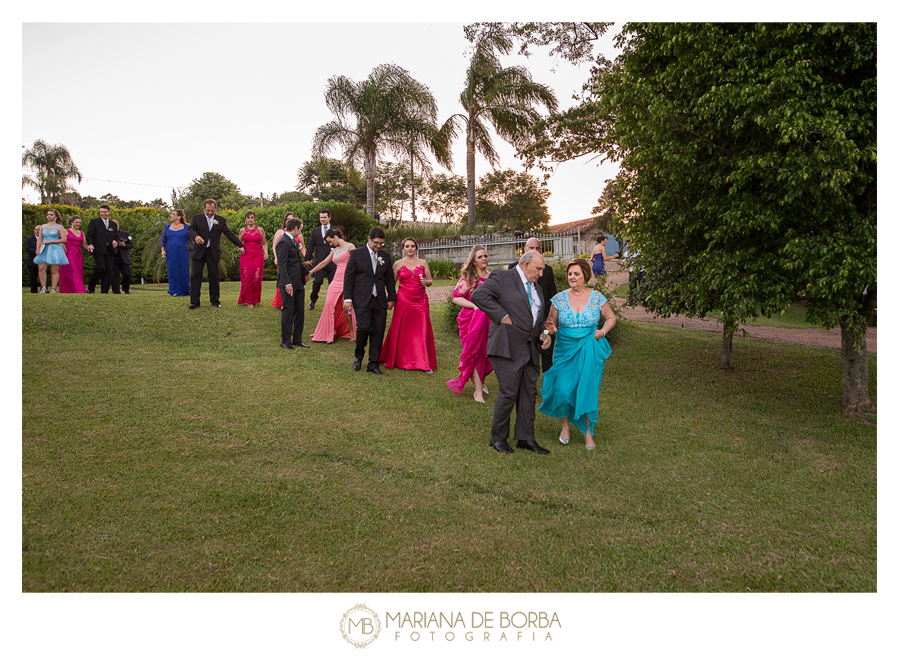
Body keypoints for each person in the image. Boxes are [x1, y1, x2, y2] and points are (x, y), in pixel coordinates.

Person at [471, 251, 550, 455]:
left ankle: (526, 438)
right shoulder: (503, 276)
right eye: (538, 269)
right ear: (525, 264)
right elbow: (479, 295)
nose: (541, 274)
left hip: (530, 347)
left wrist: (544, 333)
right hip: (506, 346)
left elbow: (536, 319)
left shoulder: (537, 288)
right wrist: (502, 316)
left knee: (528, 394)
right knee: (509, 392)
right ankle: (498, 438)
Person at [539, 258, 616, 450]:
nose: (572, 277)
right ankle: (565, 427)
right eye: (570, 274)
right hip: (564, 349)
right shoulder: (558, 299)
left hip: (589, 348)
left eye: (576, 274)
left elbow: (610, 317)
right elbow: (549, 324)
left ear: (585, 276)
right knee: (564, 389)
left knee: (587, 389)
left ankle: (588, 432)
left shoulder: (597, 297)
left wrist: (602, 332)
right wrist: (548, 334)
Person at [343, 227, 396, 375]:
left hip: (379, 300)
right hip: (361, 299)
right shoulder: (356, 254)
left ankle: (373, 364)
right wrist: (347, 299)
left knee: (378, 331)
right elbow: (348, 278)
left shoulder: (385, 256)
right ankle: (358, 356)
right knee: (364, 328)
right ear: (369, 239)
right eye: (376, 243)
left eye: (381, 243)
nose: (378, 246)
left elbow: (390, 279)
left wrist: (391, 297)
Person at [380, 237, 437, 373]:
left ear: (416, 248)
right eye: (407, 246)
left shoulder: (423, 262)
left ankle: (423, 361)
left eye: (412, 246)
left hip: (420, 300)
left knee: (421, 329)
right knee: (402, 328)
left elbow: (430, 281)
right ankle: (399, 358)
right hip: (403, 301)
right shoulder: (398, 264)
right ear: (403, 248)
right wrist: (390, 299)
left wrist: (425, 282)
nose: (410, 248)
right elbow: (392, 284)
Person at [446, 244, 493, 402]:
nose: (484, 259)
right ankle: (478, 391)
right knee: (474, 354)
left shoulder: (492, 277)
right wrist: (474, 305)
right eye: (480, 257)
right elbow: (456, 297)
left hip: (487, 321)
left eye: (485, 256)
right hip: (470, 321)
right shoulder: (469, 278)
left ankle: (481, 380)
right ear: (474, 261)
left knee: (486, 354)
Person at [508, 237, 557, 372]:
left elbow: (552, 296)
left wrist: (550, 319)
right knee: (523, 354)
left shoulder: (547, 270)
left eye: (537, 248)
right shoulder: (513, 268)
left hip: (543, 321)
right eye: (531, 248)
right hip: (521, 323)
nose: (535, 251)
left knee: (547, 350)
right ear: (525, 250)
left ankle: (548, 385)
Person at [187, 199, 245, 309]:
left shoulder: (221, 220)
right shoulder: (196, 218)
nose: (210, 213)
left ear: (215, 209)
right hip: (199, 251)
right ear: (204, 209)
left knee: (214, 276)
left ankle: (215, 301)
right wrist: (196, 237)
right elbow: (190, 229)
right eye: (208, 210)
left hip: (213, 252)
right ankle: (194, 302)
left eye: (212, 211)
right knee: (195, 275)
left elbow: (229, 234)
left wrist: (240, 245)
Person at [308, 228, 356, 343]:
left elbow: (358, 263)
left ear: (335, 237)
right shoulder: (334, 251)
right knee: (329, 304)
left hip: (348, 280)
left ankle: (353, 333)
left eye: (330, 241)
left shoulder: (351, 247)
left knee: (346, 307)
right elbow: (323, 263)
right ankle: (329, 332)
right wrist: (310, 272)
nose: (330, 244)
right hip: (336, 280)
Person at [274, 218, 311, 349]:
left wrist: (306, 273)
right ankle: (285, 340)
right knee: (288, 311)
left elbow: (298, 260)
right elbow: (282, 265)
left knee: (299, 311)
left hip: (298, 282)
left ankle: (297, 339)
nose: (300, 232)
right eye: (300, 229)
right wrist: (287, 284)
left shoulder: (292, 241)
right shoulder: (283, 242)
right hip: (288, 283)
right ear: (295, 228)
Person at [305, 209, 337, 311]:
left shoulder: (335, 230)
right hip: (319, 260)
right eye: (321, 217)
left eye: (324, 217)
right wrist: (307, 258)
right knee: (317, 282)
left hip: (332, 261)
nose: (322, 219)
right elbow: (310, 245)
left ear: (329, 218)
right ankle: (313, 300)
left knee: (332, 283)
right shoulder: (315, 231)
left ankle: (334, 303)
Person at [271, 212, 304, 309]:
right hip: (284, 261)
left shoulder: (298, 235)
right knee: (284, 279)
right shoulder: (282, 236)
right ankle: (282, 302)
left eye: (291, 219)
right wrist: (276, 257)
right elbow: (274, 245)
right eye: (288, 219)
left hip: (295, 266)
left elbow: (302, 248)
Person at [33, 208, 69, 293]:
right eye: (48, 214)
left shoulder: (59, 227)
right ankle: (43, 287)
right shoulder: (43, 226)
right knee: (41, 267)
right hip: (44, 248)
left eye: (51, 214)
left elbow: (64, 239)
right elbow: (40, 239)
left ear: (56, 216)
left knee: (54, 270)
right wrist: (37, 249)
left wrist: (51, 241)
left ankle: (53, 289)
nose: (49, 216)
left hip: (55, 249)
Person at [237, 210, 268, 307]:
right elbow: (238, 244)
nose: (250, 219)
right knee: (247, 277)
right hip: (246, 256)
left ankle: (255, 299)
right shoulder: (242, 230)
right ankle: (248, 300)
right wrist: (240, 249)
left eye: (252, 217)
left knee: (256, 277)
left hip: (258, 255)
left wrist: (266, 252)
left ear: (254, 219)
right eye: (248, 217)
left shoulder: (260, 230)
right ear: (245, 219)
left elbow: (264, 243)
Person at [85, 204, 117, 293]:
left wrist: (116, 242)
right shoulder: (94, 222)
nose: (102, 213)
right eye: (101, 212)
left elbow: (116, 236)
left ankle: (104, 291)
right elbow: (90, 234)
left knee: (108, 270)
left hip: (110, 250)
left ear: (109, 212)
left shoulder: (113, 224)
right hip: (98, 248)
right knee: (100, 268)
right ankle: (91, 288)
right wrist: (90, 244)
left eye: (104, 212)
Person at [161, 209, 191, 296]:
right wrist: (162, 250)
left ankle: (185, 290)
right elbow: (163, 240)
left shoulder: (186, 227)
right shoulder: (167, 227)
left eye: (173, 214)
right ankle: (173, 290)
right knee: (172, 271)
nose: (171, 216)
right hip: (171, 252)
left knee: (183, 271)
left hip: (183, 253)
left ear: (179, 217)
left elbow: (192, 240)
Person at [59, 215, 88, 293]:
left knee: (78, 271)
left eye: (79, 223)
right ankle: (79, 290)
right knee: (72, 271)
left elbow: (84, 245)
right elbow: (60, 241)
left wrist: (89, 247)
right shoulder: (66, 231)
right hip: (68, 254)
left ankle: (73, 290)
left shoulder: (82, 233)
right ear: (71, 222)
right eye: (76, 222)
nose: (78, 224)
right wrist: (62, 245)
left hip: (78, 255)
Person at [110, 220, 134, 294]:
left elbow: (131, 245)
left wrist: (124, 245)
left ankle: (126, 289)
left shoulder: (125, 234)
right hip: (113, 258)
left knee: (127, 274)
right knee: (114, 275)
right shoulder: (108, 234)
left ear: (118, 225)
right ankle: (116, 291)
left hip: (124, 258)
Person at [24, 226, 40, 293]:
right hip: (32, 260)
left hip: (42, 261)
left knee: (42, 275)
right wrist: (36, 251)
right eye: (35, 229)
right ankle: (33, 291)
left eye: (38, 229)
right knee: (32, 277)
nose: (36, 231)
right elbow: (27, 248)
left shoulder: (45, 239)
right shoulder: (29, 239)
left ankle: (44, 289)